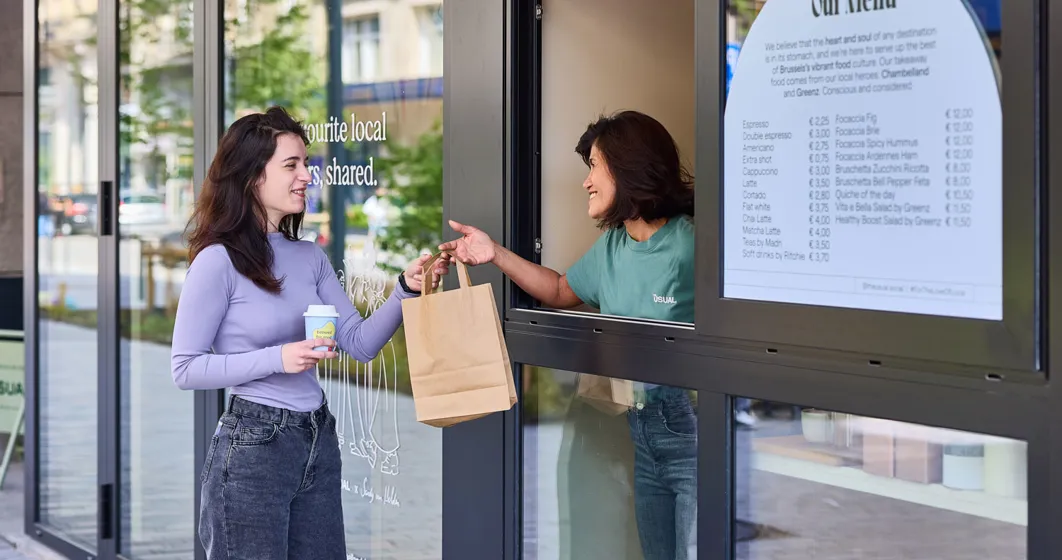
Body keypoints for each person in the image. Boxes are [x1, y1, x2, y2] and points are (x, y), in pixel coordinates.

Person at [170, 106, 450, 559]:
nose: (307, 175)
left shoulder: (309, 257)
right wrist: (279, 358)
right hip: (252, 447)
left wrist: (404, 290)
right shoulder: (217, 261)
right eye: (291, 165)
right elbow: (184, 368)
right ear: (251, 177)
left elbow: (358, 344)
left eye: (306, 163)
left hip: (317, 438)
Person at [441, 110, 696, 560]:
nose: (586, 181)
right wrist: (494, 253)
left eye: (595, 165)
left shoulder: (691, 244)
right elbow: (560, 289)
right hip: (639, 428)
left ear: (629, 166)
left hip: (693, 433)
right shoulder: (614, 247)